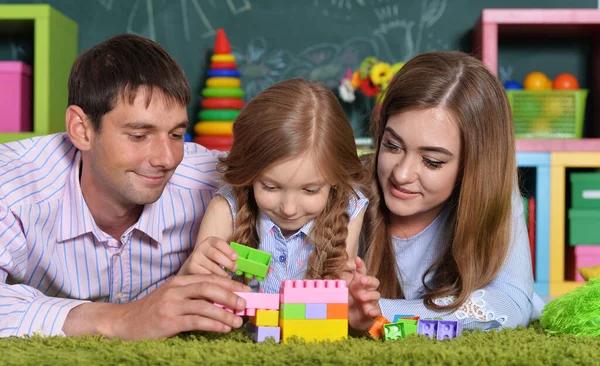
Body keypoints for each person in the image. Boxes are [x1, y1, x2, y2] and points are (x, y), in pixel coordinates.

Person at [0, 34, 252, 340]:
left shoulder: (213, 180)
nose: (166, 159)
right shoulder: (14, 184)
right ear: (82, 129)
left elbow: (306, 180)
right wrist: (120, 320)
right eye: (138, 135)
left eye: (176, 135)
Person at [179, 78, 382, 331]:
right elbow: (194, 297)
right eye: (270, 187)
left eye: (310, 190)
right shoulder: (226, 208)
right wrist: (195, 278)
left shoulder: (348, 210)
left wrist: (352, 310)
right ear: (251, 174)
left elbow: (336, 307)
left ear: (334, 181)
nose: (289, 208)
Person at [361, 50, 536, 330]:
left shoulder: (495, 194)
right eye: (392, 145)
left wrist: (376, 311)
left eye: (432, 161)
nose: (401, 174)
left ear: (473, 166)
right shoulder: (349, 191)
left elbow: (511, 303)